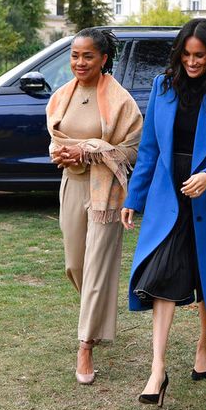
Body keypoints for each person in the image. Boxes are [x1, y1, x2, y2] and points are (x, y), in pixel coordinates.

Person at [120, 18, 206, 407]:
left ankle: (205, 342)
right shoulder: (163, 86)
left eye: (200, 56)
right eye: (187, 54)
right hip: (168, 196)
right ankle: (157, 369)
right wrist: (133, 198)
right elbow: (149, 149)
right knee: (161, 274)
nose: (192, 62)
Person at [46, 28, 143, 384]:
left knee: (99, 266)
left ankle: (85, 345)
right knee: (75, 264)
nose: (79, 62)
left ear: (103, 59)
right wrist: (66, 154)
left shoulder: (121, 101)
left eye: (87, 56)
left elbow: (132, 149)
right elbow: (56, 141)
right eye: (74, 55)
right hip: (72, 184)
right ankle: (96, 315)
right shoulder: (61, 97)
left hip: (108, 192)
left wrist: (88, 149)